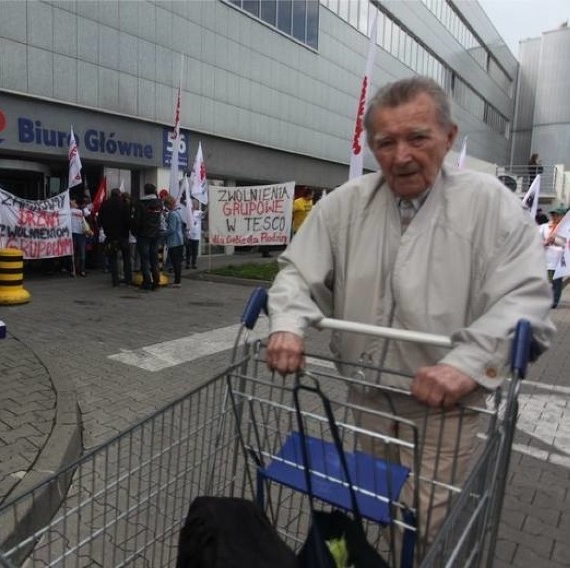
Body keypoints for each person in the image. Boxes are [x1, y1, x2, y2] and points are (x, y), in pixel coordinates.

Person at [265, 76, 555, 547]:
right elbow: (297, 273)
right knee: (376, 509)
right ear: (371, 147)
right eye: (386, 142)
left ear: (449, 137)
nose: (401, 156)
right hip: (369, 397)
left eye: (418, 137)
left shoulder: (488, 207)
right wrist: (287, 326)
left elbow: (524, 297)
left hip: (443, 410)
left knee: (424, 527)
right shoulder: (345, 206)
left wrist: (464, 365)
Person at [131, 183, 163, 291]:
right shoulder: (159, 203)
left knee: (144, 259)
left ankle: (147, 283)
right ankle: (156, 282)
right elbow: (160, 218)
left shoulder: (140, 203)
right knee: (154, 259)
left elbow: (136, 220)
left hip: (143, 234)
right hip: (156, 234)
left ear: (145, 191)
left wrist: (134, 232)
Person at [99, 188, 133, 287]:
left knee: (112, 258)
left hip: (110, 236)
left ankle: (115, 281)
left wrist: (106, 229)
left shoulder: (105, 204)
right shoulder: (124, 205)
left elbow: (100, 219)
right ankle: (128, 280)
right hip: (123, 236)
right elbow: (128, 221)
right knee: (126, 258)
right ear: (119, 194)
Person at [539, 206, 566, 308]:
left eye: (557, 215)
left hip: (559, 259)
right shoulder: (545, 226)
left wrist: (554, 240)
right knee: (544, 281)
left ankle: (554, 301)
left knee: (556, 282)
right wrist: (543, 243)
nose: (555, 216)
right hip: (545, 258)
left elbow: (567, 244)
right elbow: (537, 238)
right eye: (553, 214)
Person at [163, 195, 185, 287]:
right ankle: (177, 281)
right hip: (180, 241)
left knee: (175, 262)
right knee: (177, 263)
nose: (165, 207)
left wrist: (163, 233)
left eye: (166, 205)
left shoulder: (172, 214)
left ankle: (177, 282)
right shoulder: (177, 213)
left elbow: (171, 229)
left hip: (174, 241)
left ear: (169, 204)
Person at [185, 199, 202, 270]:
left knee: (195, 251)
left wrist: (208, 207)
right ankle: (188, 263)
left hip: (196, 235)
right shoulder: (188, 212)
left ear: (198, 205)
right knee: (188, 250)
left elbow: (204, 214)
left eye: (196, 203)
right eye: (193, 203)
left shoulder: (199, 212)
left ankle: (193, 263)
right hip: (189, 235)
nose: (195, 205)